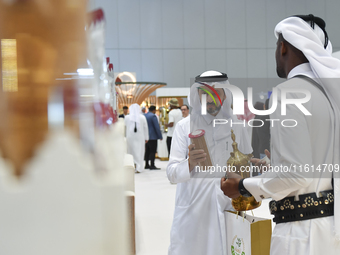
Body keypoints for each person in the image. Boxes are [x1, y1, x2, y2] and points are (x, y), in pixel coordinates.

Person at [221, 14, 340, 255]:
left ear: (283, 46)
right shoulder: (330, 95)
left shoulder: (290, 92)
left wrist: (242, 186)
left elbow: (295, 175)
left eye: (277, 45)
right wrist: (275, 165)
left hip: (300, 235)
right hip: (329, 229)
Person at [167, 71, 252, 255]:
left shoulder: (237, 126)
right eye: (205, 94)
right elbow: (171, 173)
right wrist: (189, 163)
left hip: (228, 205)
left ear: (226, 94)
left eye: (216, 93)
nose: (210, 99)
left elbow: (246, 167)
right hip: (194, 211)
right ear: (197, 96)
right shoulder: (184, 127)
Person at [125, 104, 149, 173]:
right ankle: (139, 168)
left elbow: (124, 127)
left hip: (130, 137)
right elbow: (146, 128)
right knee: (139, 152)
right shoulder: (142, 117)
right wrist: (146, 137)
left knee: (131, 152)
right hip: (140, 137)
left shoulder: (127, 117)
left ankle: (132, 167)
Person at [144, 105, 163, 170]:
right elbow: (156, 127)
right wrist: (160, 136)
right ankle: (152, 165)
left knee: (147, 151)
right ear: (154, 110)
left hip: (146, 136)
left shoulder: (145, 115)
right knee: (153, 151)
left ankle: (146, 164)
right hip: (153, 136)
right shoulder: (153, 116)